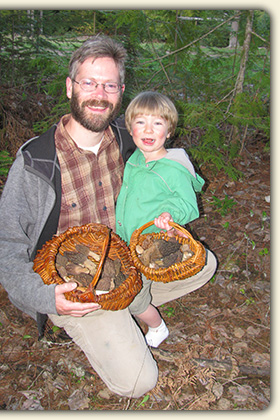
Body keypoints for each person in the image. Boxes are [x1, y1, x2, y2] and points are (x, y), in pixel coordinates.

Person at [0, 35, 216, 399]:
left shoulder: (130, 139)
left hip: (127, 263)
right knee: (139, 382)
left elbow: (169, 167)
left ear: (120, 91)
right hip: (77, 288)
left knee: (204, 264)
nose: (99, 93)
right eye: (89, 83)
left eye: (109, 85)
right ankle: (102, 320)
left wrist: (174, 198)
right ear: (70, 87)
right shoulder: (38, 161)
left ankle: (130, 305)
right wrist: (46, 298)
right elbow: (3, 242)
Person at [115, 91, 213, 348]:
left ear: (168, 131)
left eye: (157, 123)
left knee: (134, 296)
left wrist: (170, 214)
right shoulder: (134, 160)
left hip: (151, 246)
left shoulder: (173, 168)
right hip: (128, 241)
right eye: (140, 122)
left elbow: (187, 204)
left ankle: (157, 326)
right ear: (130, 128)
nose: (148, 130)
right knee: (126, 283)